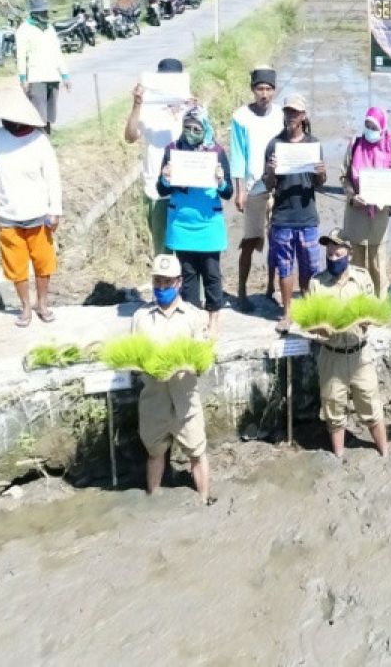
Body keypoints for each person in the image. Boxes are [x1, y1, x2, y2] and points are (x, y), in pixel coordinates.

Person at [131, 253, 214, 505]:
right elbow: (134, 361)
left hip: (185, 399)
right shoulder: (140, 318)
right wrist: (145, 366)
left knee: (197, 451)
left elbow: (204, 362)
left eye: (167, 282)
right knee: (154, 452)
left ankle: (204, 499)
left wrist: (187, 366)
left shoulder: (194, 316)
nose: (162, 287)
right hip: (153, 399)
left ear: (178, 282)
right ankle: (153, 499)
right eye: (157, 281)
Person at [0, 91, 62, 327]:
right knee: (16, 266)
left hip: (38, 215)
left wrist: (54, 210)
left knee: (42, 262)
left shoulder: (39, 141)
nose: (4, 123)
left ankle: (43, 303)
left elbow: (53, 178)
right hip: (8, 216)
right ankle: (25, 307)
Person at [308, 228, 389, 458]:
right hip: (331, 356)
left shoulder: (362, 279)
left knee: (371, 404)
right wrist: (319, 328)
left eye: (337, 254)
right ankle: (339, 455)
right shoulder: (317, 283)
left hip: (360, 356)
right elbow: (309, 323)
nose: (333, 258)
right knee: (333, 410)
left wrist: (368, 320)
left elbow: (374, 312)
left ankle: (384, 453)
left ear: (349, 254)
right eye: (329, 254)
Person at [157, 106, 233, 333]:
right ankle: (192, 321)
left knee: (211, 274)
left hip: (209, 224)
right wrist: (166, 179)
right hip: (181, 224)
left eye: (196, 128)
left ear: (205, 128)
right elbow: (161, 190)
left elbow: (227, 192)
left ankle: (213, 322)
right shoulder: (173, 150)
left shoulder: (216, 152)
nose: (191, 132)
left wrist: (220, 181)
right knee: (188, 276)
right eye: (187, 127)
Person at [263, 94, 326, 333]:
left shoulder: (314, 144)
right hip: (282, 216)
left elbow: (320, 183)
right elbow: (268, 185)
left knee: (309, 268)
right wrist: (270, 171)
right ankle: (287, 312)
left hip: (307, 215)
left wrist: (321, 172)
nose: (291, 116)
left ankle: (309, 310)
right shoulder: (274, 145)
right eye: (287, 112)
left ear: (303, 116)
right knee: (285, 266)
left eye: (295, 113)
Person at [229, 66, 285, 309]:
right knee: (250, 240)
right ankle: (241, 292)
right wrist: (239, 190)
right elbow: (238, 156)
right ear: (252, 90)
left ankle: (271, 288)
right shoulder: (241, 117)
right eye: (260, 88)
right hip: (254, 186)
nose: (264, 94)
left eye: (269, 89)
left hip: (279, 186)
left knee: (277, 239)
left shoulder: (281, 115)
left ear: (274, 91)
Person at [124, 57, 187, 256]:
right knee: (163, 250)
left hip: (187, 189)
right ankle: (166, 287)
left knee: (187, 251)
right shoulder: (148, 107)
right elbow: (130, 136)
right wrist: (136, 105)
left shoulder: (189, 107)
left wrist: (191, 109)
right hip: (156, 190)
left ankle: (189, 288)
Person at [342, 106, 391, 298]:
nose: (369, 130)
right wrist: (352, 196)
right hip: (356, 214)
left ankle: (380, 306)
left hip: (379, 218)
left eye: (374, 126)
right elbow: (344, 177)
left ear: (382, 127)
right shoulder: (355, 145)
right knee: (356, 263)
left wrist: (389, 203)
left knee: (377, 264)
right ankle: (358, 303)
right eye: (367, 125)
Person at [15, 0, 70, 135]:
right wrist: (23, 79)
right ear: (35, 13)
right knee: (39, 115)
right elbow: (21, 56)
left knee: (50, 114)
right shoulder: (24, 30)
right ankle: (38, 141)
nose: (46, 15)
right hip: (36, 78)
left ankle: (47, 137)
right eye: (43, 12)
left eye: (46, 12)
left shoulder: (50, 28)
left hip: (53, 76)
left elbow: (57, 53)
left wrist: (65, 75)